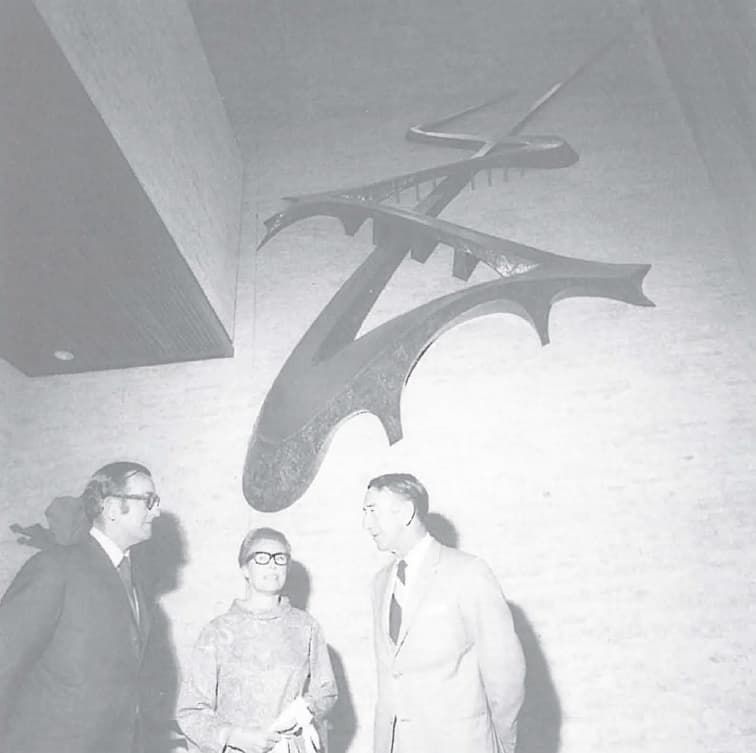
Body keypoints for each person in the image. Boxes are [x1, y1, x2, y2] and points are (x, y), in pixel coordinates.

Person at [0, 460, 161, 753]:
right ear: (112, 508)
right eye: (148, 501)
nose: (157, 511)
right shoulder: (54, 567)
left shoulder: (135, 582)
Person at [362, 473, 526, 753]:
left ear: (406, 512)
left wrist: (503, 743)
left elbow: (505, 674)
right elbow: (391, 681)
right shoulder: (380, 583)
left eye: (372, 511)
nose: (366, 525)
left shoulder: (469, 573)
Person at [177, 527, 337, 753]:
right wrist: (233, 736)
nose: (272, 564)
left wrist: (303, 711)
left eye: (280, 558)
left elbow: (326, 690)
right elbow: (191, 712)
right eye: (261, 558)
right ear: (244, 568)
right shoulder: (217, 631)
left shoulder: (306, 627)